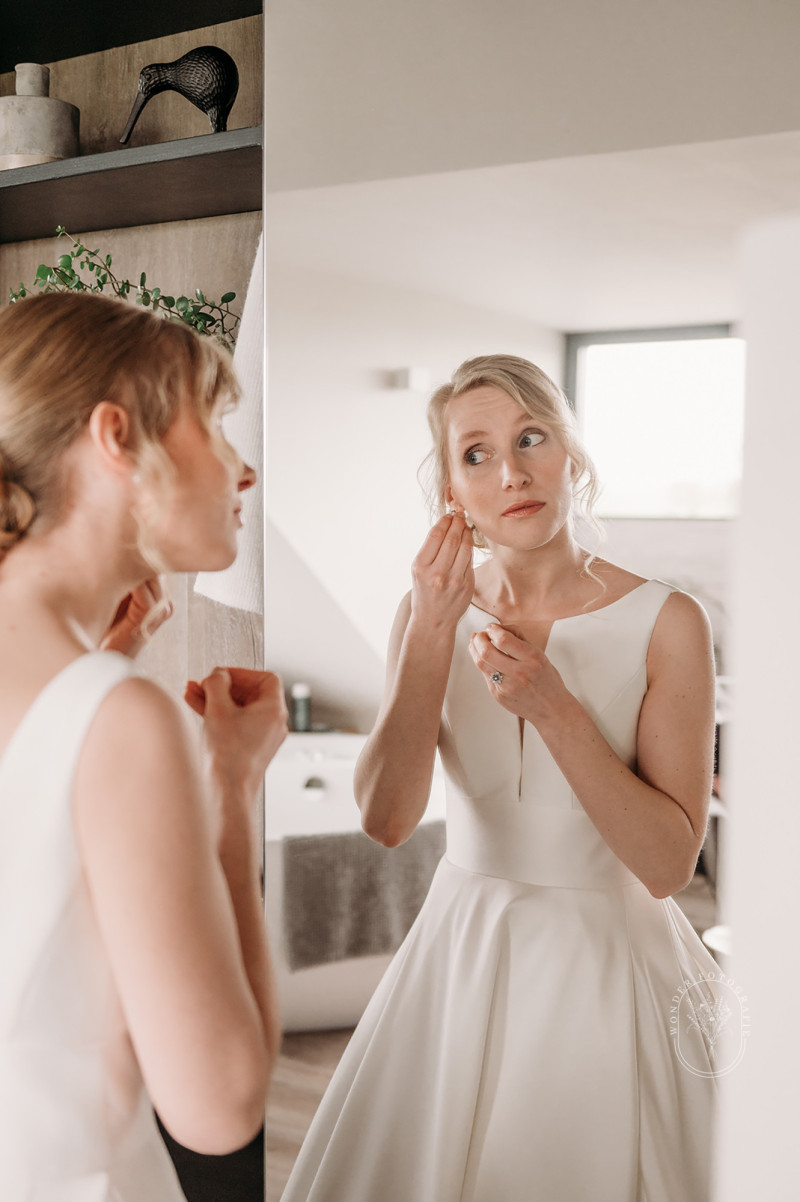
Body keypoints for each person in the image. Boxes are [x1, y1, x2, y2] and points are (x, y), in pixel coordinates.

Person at [281, 354, 720, 1202]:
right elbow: (385, 819)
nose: (511, 472)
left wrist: (554, 707)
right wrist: (428, 637)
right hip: (462, 949)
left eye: (531, 438)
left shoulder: (669, 620)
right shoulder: (428, 609)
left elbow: (668, 868)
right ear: (452, 488)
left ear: (572, 455)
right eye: (476, 453)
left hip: (609, 963)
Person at [0, 292, 287, 1199]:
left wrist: (106, 658)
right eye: (215, 425)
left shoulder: (87, 704)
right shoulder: (119, 720)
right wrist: (231, 782)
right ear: (117, 438)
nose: (243, 472)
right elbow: (220, 1104)